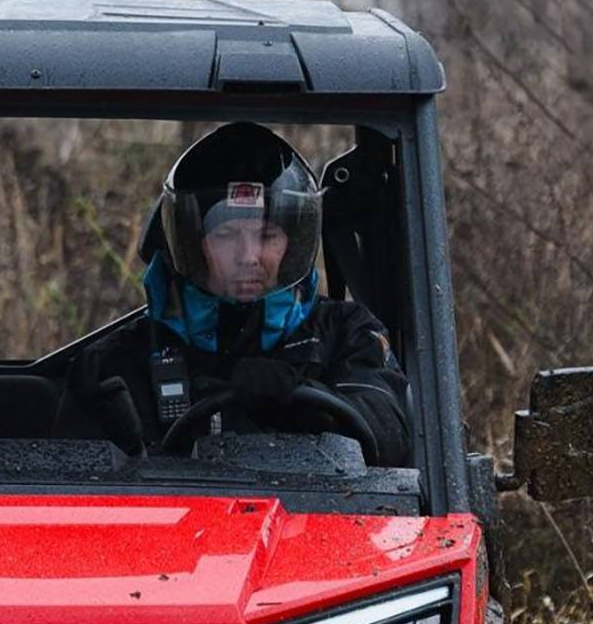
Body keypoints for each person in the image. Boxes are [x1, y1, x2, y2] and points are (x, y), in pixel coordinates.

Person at [62, 121, 411, 467]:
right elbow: (67, 493)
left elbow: (391, 436)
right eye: (227, 235)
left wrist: (306, 402)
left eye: (267, 236)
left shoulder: (347, 333)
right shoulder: (117, 363)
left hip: (319, 518)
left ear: (292, 245)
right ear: (195, 246)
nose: (248, 256)